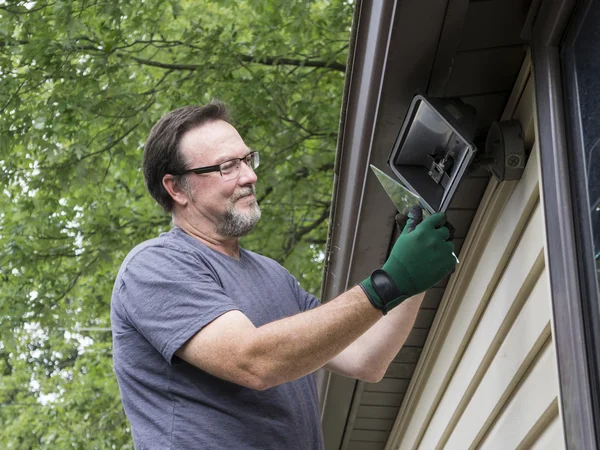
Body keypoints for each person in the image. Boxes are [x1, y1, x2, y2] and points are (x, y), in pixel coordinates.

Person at [110, 100, 456, 449]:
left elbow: (366, 358)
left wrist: (414, 278)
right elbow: (253, 361)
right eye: (227, 167)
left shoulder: (273, 276)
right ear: (177, 189)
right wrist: (388, 282)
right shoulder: (154, 267)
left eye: (247, 160)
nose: (250, 176)